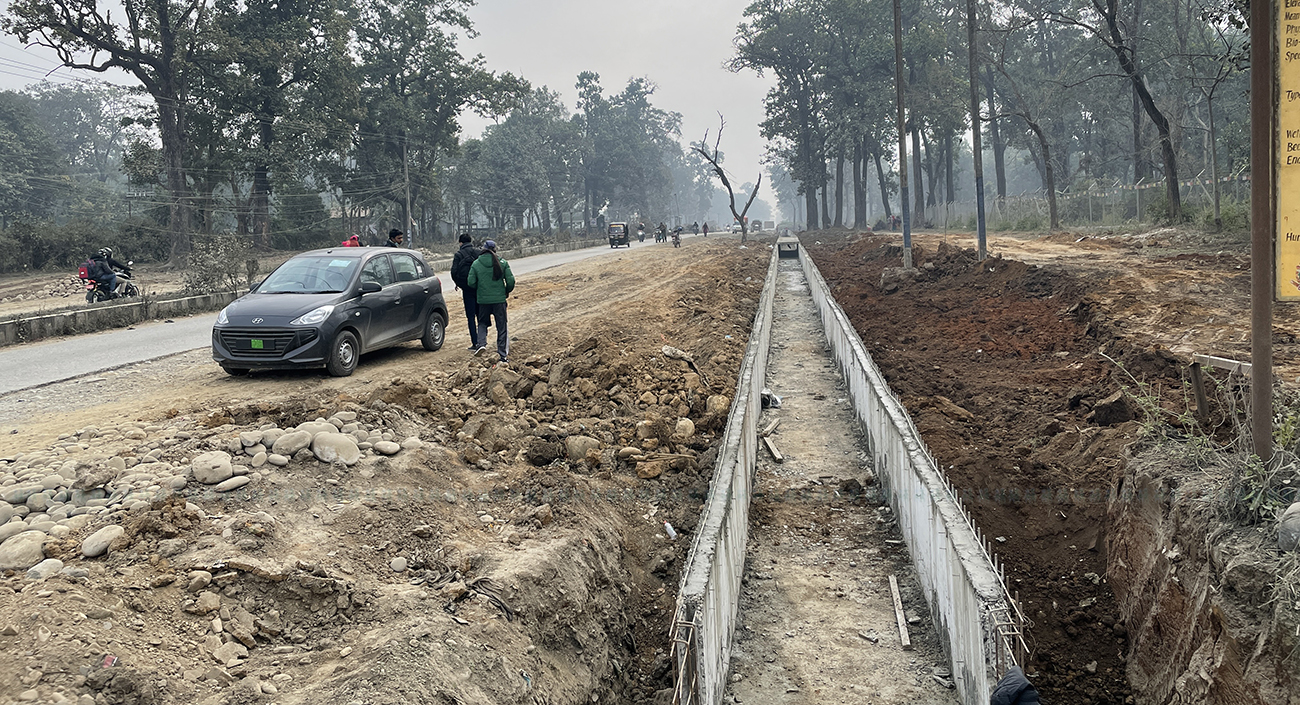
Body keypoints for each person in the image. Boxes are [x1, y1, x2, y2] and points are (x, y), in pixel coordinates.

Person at [467, 240, 515, 364]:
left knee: (482, 322)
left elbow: (471, 282)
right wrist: (505, 291)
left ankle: (481, 344)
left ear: (483, 249)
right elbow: (511, 281)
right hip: (499, 300)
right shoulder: (502, 262)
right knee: (501, 326)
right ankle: (502, 355)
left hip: (483, 300)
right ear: (495, 249)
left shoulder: (476, 264)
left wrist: (480, 289)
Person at [449, 233, 483, 351]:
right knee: (480, 315)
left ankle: (475, 343)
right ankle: (482, 341)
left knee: (470, 317)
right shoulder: (478, 252)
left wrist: (460, 284)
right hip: (479, 289)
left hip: (467, 289)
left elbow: (454, 272)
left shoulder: (459, 254)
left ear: (460, 243)